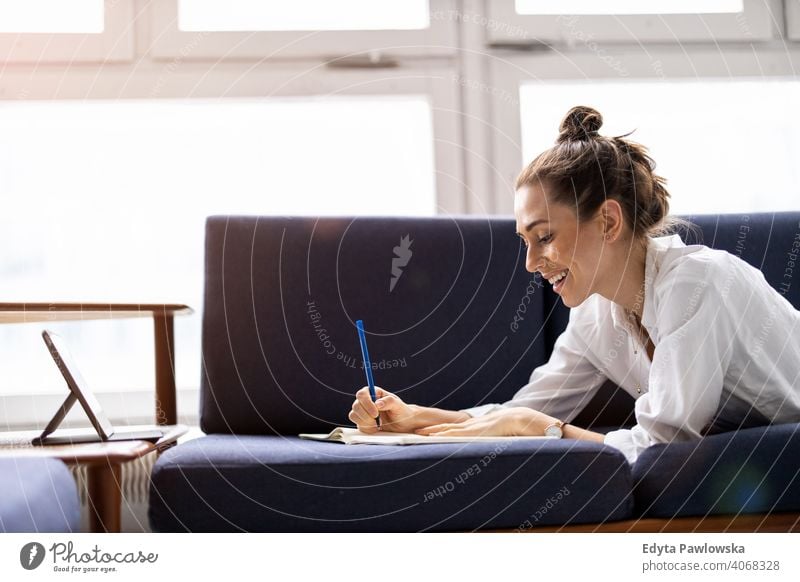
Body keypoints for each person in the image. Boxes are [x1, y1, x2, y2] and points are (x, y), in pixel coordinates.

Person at [347, 105, 800, 464]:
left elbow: (663, 447)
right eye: (525, 241)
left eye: (544, 237)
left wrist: (544, 428)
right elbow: (522, 412)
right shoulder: (596, 312)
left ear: (607, 220)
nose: (530, 263)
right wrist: (414, 419)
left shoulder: (697, 285)